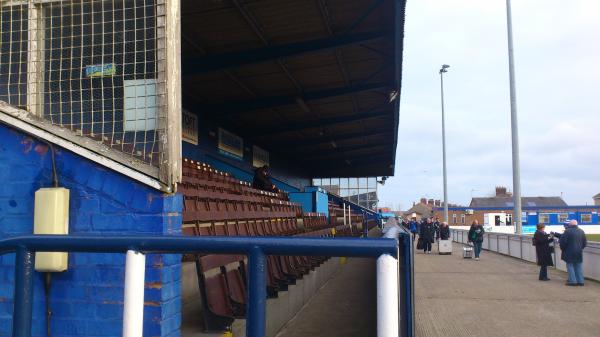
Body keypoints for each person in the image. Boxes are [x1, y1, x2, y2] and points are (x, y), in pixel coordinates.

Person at [559, 220, 587, 286]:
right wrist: (580, 248)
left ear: (570, 225)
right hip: (578, 252)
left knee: (570, 266)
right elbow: (584, 243)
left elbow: (563, 243)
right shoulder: (581, 231)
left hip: (569, 252)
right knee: (578, 266)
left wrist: (563, 249)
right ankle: (580, 281)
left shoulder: (567, 231)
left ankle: (573, 281)